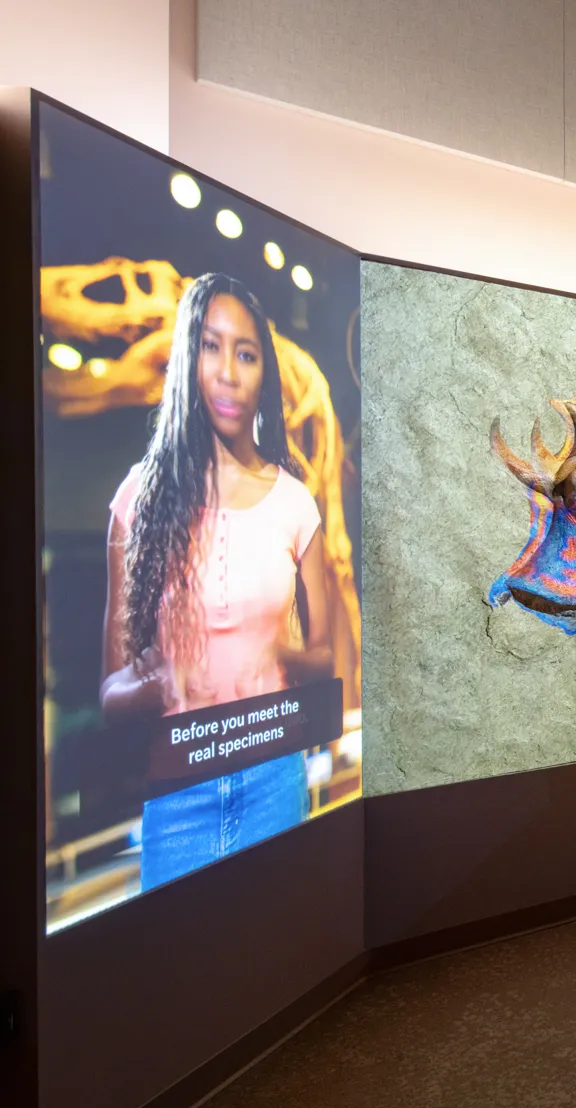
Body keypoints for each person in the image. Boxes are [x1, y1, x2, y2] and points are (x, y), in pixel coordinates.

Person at [99, 273, 334, 891]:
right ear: (187, 360)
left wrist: (286, 657)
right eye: (210, 345)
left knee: (275, 963)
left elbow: (328, 659)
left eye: (247, 353)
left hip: (273, 780)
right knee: (178, 977)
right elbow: (109, 690)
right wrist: (149, 684)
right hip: (177, 796)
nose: (229, 369)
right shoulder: (137, 500)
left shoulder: (295, 504)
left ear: (264, 374)